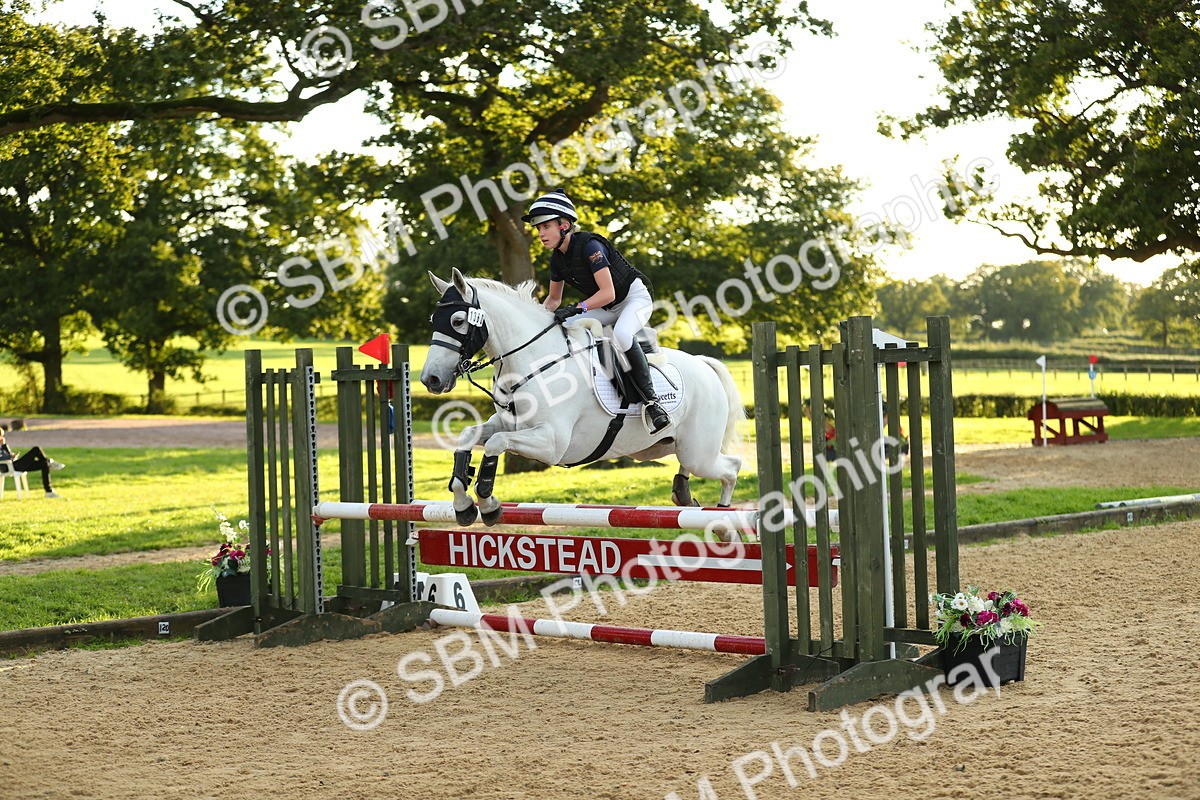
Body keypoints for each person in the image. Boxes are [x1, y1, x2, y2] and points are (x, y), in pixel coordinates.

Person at [522, 188, 671, 434]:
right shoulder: (557, 260)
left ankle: (653, 403)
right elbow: (553, 299)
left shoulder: (590, 246)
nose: (540, 233)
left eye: (545, 226)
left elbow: (608, 293)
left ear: (564, 225)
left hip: (634, 299)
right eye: (538, 228)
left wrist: (577, 308)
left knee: (622, 334)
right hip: (605, 306)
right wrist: (537, 323)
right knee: (566, 328)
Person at [0, 428, 66, 498]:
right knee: (36, 449)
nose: (2, 438)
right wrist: (5, 448)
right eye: (1, 436)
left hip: (14, 464)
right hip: (9, 467)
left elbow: (8, 455)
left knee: (44, 464)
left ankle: (49, 492)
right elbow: (5, 458)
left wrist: (5, 447)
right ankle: (50, 462)